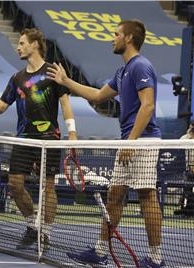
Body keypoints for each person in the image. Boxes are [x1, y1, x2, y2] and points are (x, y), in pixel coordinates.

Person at [47, 19, 164, 267]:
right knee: (114, 195)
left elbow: (148, 105)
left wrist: (130, 143)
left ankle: (156, 259)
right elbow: (98, 96)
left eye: (116, 34)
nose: (112, 38)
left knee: (146, 196)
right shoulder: (123, 71)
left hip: (142, 140)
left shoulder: (141, 66)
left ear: (129, 38)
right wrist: (66, 81)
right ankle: (101, 251)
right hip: (130, 140)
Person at [0, 28, 77, 250]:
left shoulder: (53, 72)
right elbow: (1, 107)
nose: (18, 47)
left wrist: (73, 133)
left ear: (35, 44)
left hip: (49, 138)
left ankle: (45, 234)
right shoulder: (16, 78)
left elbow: (66, 103)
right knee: (15, 184)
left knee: (48, 188)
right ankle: (32, 226)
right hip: (24, 138)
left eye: (22, 43)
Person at [174, 123, 194, 216]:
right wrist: (189, 136)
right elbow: (179, 148)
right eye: (190, 127)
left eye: (192, 128)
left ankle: (189, 210)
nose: (191, 129)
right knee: (187, 187)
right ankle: (186, 210)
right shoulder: (185, 138)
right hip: (188, 170)